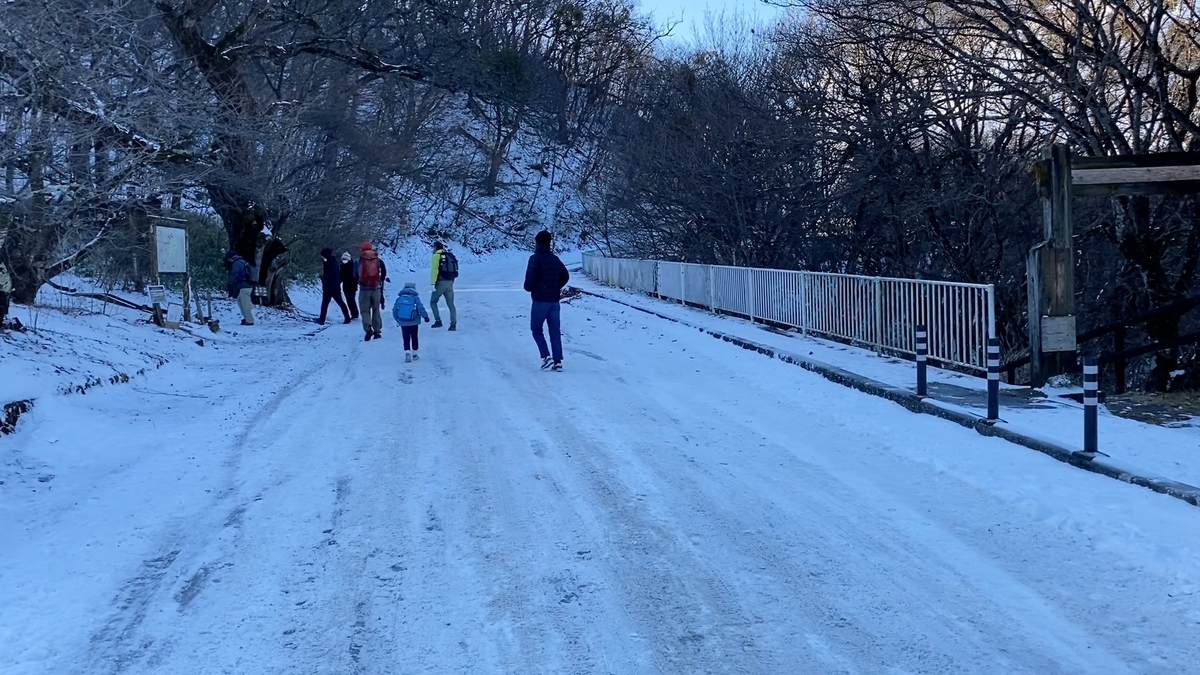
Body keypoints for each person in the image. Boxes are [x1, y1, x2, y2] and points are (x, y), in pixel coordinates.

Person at [523, 230, 569, 371]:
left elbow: (529, 282)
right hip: (554, 301)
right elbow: (565, 276)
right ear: (549, 243)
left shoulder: (535, 258)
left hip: (540, 301)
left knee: (536, 329)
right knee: (555, 331)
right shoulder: (555, 259)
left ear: (537, 242)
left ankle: (546, 356)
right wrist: (555, 287)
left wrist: (531, 287)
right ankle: (558, 361)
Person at [356, 242, 387, 341]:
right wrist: (379, 281)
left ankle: (368, 328)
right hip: (376, 288)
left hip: (364, 289)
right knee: (376, 309)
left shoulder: (359, 260)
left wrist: (359, 282)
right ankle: (377, 331)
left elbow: (354, 274)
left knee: (365, 310)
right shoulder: (377, 260)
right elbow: (384, 272)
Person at [392, 282, 431, 363]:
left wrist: (397, 319)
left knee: (405, 338)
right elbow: (420, 308)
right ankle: (415, 354)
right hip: (414, 321)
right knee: (414, 337)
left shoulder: (399, 299)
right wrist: (425, 316)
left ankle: (407, 352)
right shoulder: (415, 298)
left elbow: (394, 310)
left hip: (403, 322)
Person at [430, 241, 458, 331]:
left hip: (441, 282)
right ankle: (453, 323)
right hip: (450, 282)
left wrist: (433, 283)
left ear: (436, 248)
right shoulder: (449, 255)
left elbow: (434, 270)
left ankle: (438, 321)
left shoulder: (436, 256)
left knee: (433, 302)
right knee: (451, 304)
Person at [318, 248, 351, 325]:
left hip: (332, 287)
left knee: (335, 303)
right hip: (332, 287)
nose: (321, 258)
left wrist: (323, 277)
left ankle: (347, 318)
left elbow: (332, 275)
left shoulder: (331, 263)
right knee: (327, 303)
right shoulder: (331, 262)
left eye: (322, 256)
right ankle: (322, 319)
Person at [225, 249, 256, 326]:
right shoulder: (243, 261)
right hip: (248, 285)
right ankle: (246, 318)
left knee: (245, 304)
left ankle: (249, 320)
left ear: (231, 257)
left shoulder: (237, 263)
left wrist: (230, 283)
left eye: (229, 259)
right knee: (240, 301)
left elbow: (234, 274)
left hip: (244, 286)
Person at [339, 251, 359, 320]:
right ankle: (353, 313)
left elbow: (356, 275)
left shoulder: (353, 265)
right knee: (348, 300)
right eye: (343, 259)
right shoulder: (342, 266)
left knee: (351, 299)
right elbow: (341, 276)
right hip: (346, 286)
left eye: (345, 259)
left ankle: (355, 314)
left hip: (352, 285)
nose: (344, 261)